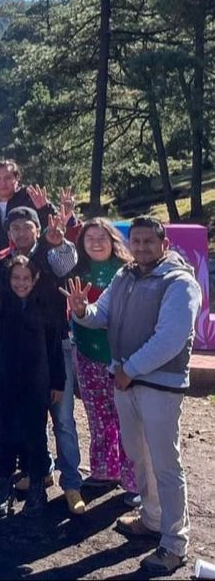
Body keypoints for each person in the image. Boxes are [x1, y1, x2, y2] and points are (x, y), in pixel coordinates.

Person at [64, 216, 201, 576]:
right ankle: (152, 518)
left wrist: (129, 369)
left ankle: (174, 543)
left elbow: (170, 338)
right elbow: (101, 315)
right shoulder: (125, 277)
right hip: (127, 382)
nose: (140, 247)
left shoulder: (180, 283)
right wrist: (82, 311)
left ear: (164, 245)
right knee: (139, 456)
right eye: (136, 241)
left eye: (148, 242)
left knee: (165, 465)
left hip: (158, 386)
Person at [0, 205, 84, 513]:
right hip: (23, 351)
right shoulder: (4, 262)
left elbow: (66, 262)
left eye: (27, 227)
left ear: (36, 229)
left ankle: (71, 482)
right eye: (15, 228)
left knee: (62, 419)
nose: (21, 232)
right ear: (9, 233)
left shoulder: (49, 253)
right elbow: (0, 303)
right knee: (28, 418)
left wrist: (58, 241)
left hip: (55, 344)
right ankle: (39, 474)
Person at [0, 256, 65, 518]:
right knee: (7, 434)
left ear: (35, 278)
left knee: (35, 435)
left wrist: (58, 382)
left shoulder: (46, 306)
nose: (21, 283)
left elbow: (55, 348)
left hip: (37, 381)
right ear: (8, 279)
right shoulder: (0, 303)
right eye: (16, 278)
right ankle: (4, 485)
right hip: (5, 380)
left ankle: (37, 486)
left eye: (26, 278)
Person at [68, 218, 138, 502]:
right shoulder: (76, 271)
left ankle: (134, 481)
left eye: (102, 237)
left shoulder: (128, 272)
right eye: (89, 238)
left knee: (129, 420)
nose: (96, 242)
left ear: (113, 240)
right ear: (82, 244)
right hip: (86, 354)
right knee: (98, 417)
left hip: (122, 358)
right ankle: (104, 470)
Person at [0, 160, 55, 249]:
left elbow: (54, 226)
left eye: (8, 178)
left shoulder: (32, 198)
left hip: (29, 257)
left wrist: (45, 210)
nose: (3, 183)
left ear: (17, 179)